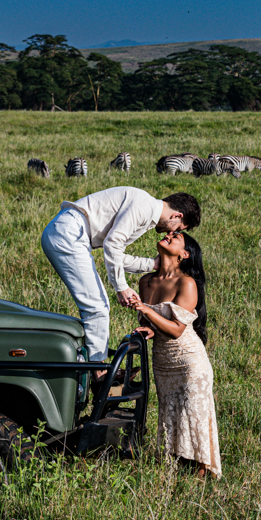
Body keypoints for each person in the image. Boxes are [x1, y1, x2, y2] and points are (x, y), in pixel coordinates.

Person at [40, 187, 201, 363]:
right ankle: (98, 371)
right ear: (176, 216)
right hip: (70, 233)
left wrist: (152, 264)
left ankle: (94, 364)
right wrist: (121, 287)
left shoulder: (147, 214)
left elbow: (116, 255)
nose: (171, 233)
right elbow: (112, 244)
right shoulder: (144, 206)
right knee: (97, 308)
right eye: (178, 228)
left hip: (70, 234)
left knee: (97, 307)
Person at [129, 230, 221, 479]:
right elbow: (154, 325)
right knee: (170, 410)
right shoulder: (146, 281)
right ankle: (178, 468)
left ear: (184, 254)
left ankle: (202, 472)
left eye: (176, 237)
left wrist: (143, 310)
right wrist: (146, 329)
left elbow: (177, 330)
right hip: (162, 361)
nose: (169, 235)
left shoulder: (186, 283)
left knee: (193, 413)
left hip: (189, 360)